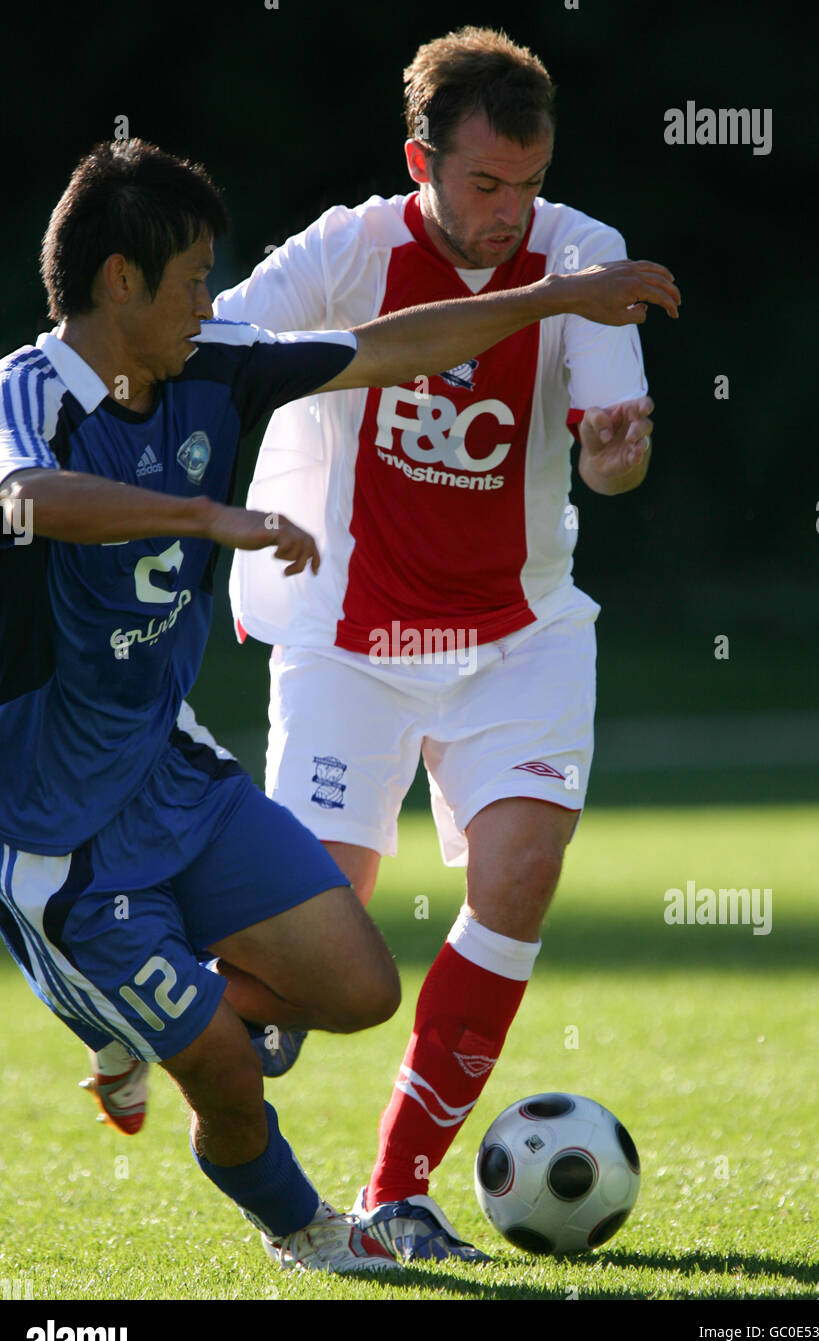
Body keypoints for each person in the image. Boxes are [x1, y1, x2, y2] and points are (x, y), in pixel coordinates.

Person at [0, 137, 675, 1275]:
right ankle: (304, 1225)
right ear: (119, 282)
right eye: (198, 276)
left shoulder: (215, 362)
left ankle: (138, 1021)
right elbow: (17, 498)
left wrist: (560, 294)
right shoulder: (22, 394)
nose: (215, 297)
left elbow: (393, 349)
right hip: (48, 824)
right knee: (228, 1063)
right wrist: (201, 518)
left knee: (353, 990)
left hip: (172, 770)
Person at [210, 27, 681, 1262]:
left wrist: (614, 459)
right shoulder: (348, 248)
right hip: (346, 634)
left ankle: (394, 1195)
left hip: (518, 634)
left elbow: (608, 450)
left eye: (529, 183)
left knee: (518, 877)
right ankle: (158, 1004)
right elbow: (211, 343)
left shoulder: (585, 258)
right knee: (320, 952)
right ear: (419, 158)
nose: (511, 212)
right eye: (484, 185)